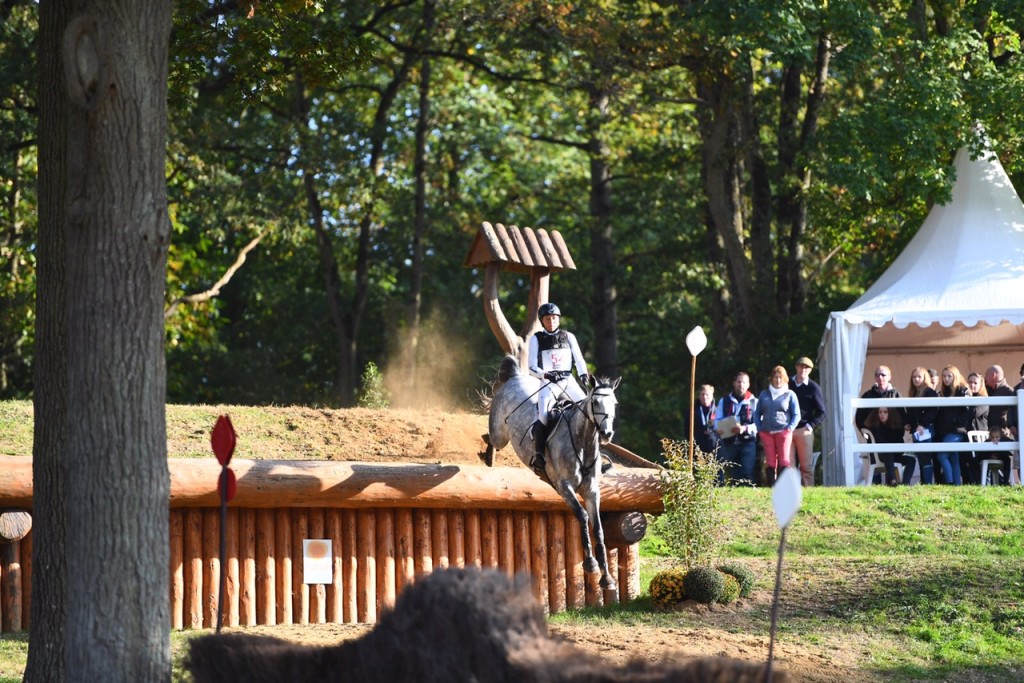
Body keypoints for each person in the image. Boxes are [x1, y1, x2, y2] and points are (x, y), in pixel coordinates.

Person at [527, 302, 590, 477]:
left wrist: (583, 374)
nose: (552, 321)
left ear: (558, 319)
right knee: (544, 415)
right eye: (548, 319)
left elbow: (579, 359)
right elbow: (531, 368)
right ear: (542, 321)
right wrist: (546, 375)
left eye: (554, 318)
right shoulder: (536, 338)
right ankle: (539, 454)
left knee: (587, 410)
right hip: (549, 382)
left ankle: (596, 453)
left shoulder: (569, 336)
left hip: (568, 380)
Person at [755, 366, 800, 487]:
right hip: (767, 432)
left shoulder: (790, 394)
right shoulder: (764, 394)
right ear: (772, 379)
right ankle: (772, 485)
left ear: (785, 379)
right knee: (770, 461)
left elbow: (796, 415)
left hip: (783, 431)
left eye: (780, 377)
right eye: (776, 377)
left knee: (784, 459)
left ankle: (784, 485)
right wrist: (759, 428)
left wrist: (790, 428)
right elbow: (757, 413)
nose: (778, 380)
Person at [715, 372, 758, 485]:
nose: (741, 385)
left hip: (748, 441)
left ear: (748, 384)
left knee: (747, 470)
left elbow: (759, 424)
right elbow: (716, 419)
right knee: (730, 472)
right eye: (739, 382)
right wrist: (718, 428)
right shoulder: (724, 401)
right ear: (734, 383)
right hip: (729, 441)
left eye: (744, 382)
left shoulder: (754, 402)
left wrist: (744, 428)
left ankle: (749, 495)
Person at [789, 356, 825, 486]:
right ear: (797, 367)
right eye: (801, 366)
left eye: (807, 367)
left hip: (804, 430)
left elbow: (822, 412)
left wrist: (809, 426)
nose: (803, 369)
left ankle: (809, 493)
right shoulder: (788, 384)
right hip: (788, 430)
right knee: (789, 466)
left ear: (810, 370)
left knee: (806, 467)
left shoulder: (813, 387)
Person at [933, 365, 970, 485]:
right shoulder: (942, 393)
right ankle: (957, 486)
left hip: (957, 431)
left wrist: (957, 420)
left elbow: (969, 410)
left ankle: (949, 481)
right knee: (954, 459)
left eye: (949, 376)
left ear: (956, 376)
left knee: (942, 455)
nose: (946, 378)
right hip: (945, 431)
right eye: (944, 376)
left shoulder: (963, 391)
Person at [863, 407, 917, 485]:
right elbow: (881, 443)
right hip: (881, 456)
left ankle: (905, 483)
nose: (882, 414)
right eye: (880, 412)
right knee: (888, 454)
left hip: (895, 455)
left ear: (890, 414)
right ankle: (892, 481)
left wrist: (901, 430)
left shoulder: (895, 426)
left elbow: (900, 447)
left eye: (885, 412)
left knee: (911, 460)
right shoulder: (874, 427)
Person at [905, 366, 939, 484]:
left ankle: (928, 483)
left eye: (919, 376)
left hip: (926, 429)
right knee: (920, 457)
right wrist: (909, 423)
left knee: (925, 457)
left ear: (925, 377)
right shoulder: (913, 393)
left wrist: (923, 424)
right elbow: (911, 412)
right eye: (914, 377)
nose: (916, 379)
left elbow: (934, 410)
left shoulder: (929, 391)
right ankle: (924, 482)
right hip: (916, 430)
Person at [984, 365, 1015, 485]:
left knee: (1005, 458)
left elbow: (1012, 414)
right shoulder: (987, 389)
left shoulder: (1009, 391)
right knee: (982, 456)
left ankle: (1005, 482)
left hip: (1002, 434)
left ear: (993, 375)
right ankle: (983, 483)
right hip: (987, 434)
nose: (985, 380)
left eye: (986, 376)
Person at [963, 371, 989, 484]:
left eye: (975, 383)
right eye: (969, 382)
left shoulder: (983, 399)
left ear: (980, 385)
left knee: (976, 463)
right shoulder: (964, 398)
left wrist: (958, 417)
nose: (972, 385)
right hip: (966, 436)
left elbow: (974, 412)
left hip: (979, 438)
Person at [688, 384, 720, 456]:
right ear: (699, 396)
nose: (705, 397)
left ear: (712, 396)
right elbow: (687, 430)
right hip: (697, 447)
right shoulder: (692, 411)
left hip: (714, 447)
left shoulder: (718, 411)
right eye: (702, 394)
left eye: (707, 395)